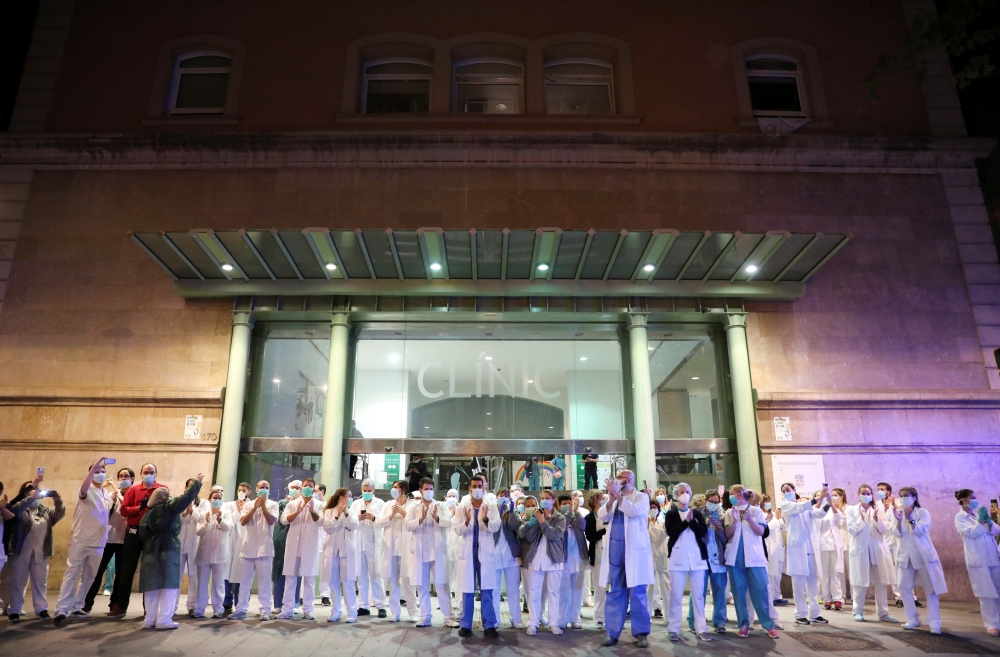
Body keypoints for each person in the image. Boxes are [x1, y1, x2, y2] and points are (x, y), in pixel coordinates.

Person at [138, 474, 203, 629]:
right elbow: (185, 499)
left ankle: (150, 619)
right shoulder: (166, 509)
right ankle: (164, 619)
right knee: (169, 583)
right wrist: (196, 483)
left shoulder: (148, 513)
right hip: (168, 546)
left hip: (150, 549)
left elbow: (142, 533)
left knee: (151, 585)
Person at [54, 458, 112, 624]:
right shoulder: (86, 490)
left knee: (90, 576)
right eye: (97, 471)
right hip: (81, 539)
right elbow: (84, 488)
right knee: (72, 573)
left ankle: (77, 607)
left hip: (99, 541)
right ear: (91, 474)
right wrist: (94, 466)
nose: (100, 474)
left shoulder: (105, 493)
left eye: (102, 471)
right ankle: (62, 608)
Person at [599, 470, 653, 648]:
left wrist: (618, 497)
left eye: (620, 478)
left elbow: (636, 512)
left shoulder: (641, 497)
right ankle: (612, 632)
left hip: (634, 553)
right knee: (616, 592)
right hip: (615, 552)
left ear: (628, 480)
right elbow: (602, 516)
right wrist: (611, 499)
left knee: (637, 593)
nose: (617, 481)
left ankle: (641, 633)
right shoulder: (614, 499)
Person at [6, 474, 65, 622]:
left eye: (39, 492)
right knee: (17, 581)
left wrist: (58, 502)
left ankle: (41, 609)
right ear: (26, 494)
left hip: (40, 552)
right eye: (33, 491)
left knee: (40, 582)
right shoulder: (19, 509)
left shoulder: (45, 511)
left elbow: (58, 514)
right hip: (20, 551)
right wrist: (30, 498)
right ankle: (15, 609)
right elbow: (15, 510)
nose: (37, 494)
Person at [109, 462, 164, 618]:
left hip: (152, 533)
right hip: (133, 533)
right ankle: (121, 606)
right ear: (140, 474)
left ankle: (150, 608)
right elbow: (125, 510)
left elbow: (164, 510)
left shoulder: (161, 489)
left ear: (156, 474)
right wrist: (139, 508)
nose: (148, 474)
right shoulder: (133, 490)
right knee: (126, 571)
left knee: (150, 571)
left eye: (151, 472)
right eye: (145, 472)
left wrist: (151, 509)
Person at [723, 485, 778, 639]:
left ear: (743, 495)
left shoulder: (756, 511)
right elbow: (728, 534)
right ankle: (744, 625)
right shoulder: (729, 512)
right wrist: (734, 521)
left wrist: (749, 519)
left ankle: (768, 624)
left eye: (735, 494)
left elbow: (760, 532)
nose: (733, 497)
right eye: (731, 494)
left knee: (760, 590)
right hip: (735, 558)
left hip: (755, 558)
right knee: (739, 593)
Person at [889, 486, 945, 633]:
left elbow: (921, 530)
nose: (903, 498)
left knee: (930, 588)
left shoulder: (922, 512)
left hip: (922, 554)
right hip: (904, 555)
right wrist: (899, 521)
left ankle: (934, 621)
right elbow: (896, 533)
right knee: (903, 586)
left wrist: (911, 519)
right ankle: (913, 618)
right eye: (901, 496)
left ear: (914, 498)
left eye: (907, 495)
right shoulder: (896, 512)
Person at [452, 474, 501, 638]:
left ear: (484, 487)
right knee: (468, 590)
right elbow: (457, 529)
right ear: (469, 488)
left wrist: (486, 519)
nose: (477, 489)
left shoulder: (491, 506)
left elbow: (496, 526)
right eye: (474, 486)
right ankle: (466, 624)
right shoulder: (462, 506)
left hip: (485, 552)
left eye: (479, 486)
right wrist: (466, 521)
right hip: (468, 552)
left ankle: (490, 625)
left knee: (487, 590)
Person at [406, 477, 456, 628]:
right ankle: (425, 617)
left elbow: (449, 522)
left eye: (430, 489)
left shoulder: (440, 505)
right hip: (420, 551)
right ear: (420, 490)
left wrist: (436, 517)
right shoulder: (413, 507)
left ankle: (449, 617)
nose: (428, 491)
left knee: (442, 583)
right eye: (425, 489)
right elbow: (408, 525)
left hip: (437, 550)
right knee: (421, 585)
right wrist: (420, 519)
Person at [846, 484, 899, 623]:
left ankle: (883, 612)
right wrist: (861, 519)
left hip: (877, 550)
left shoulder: (878, 509)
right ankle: (857, 611)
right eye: (863, 493)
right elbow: (852, 530)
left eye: (868, 493)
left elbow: (885, 529)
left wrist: (877, 520)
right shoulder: (852, 510)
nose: (866, 495)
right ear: (858, 494)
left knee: (881, 582)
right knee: (860, 583)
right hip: (860, 550)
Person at [517, 490, 567, 635]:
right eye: (543, 498)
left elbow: (554, 535)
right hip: (536, 558)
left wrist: (542, 521)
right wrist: (534, 521)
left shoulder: (559, 518)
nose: (545, 500)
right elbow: (529, 537)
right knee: (534, 591)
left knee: (553, 592)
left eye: (547, 498)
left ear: (553, 500)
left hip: (554, 559)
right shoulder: (537, 514)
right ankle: (533, 622)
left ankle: (553, 623)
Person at [779, 481, 828, 626]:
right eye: (784, 491)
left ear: (794, 490)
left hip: (810, 548)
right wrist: (818, 498)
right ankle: (800, 614)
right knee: (799, 584)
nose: (786, 492)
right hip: (797, 549)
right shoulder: (786, 505)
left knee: (813, 583)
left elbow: (818, 514)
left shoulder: (804, 507)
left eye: (788, 489)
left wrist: (828, 503)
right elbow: (799, 507)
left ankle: (815, 613)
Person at [665, 482, 709, 643]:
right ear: (677, 495)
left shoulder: (696, 513)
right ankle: (673, 628)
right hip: (678, 557)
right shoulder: (671, 514)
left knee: (698, 595)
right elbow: (671, 532)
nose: (685, 494)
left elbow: (703, 531)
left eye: (688, 491)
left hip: (697, 558)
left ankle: (701, 628)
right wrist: (685, 522)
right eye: (682, 491)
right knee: (676, 594)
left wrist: (692, 521)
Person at [82, 467, 130, 614]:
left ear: (132, 479)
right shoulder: (110, 494)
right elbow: (103, 512)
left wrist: (117, 492)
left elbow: (127, 510)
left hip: (124, 540)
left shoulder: (132, 495)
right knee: (97, 571)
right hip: (108, 538)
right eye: (120, 476)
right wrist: (112, 499)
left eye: (126, 476)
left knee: (121, 574)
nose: (123, 479)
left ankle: (115, 604)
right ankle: (87, 602)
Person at [229, 480, 279, 621]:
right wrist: (254, 508)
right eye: (261, 487)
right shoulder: (248, 505)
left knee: (265, 581)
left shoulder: (273, 505)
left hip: (265, 548)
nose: (263, 489)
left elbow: (272, 520)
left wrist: (263, 506)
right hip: (248, 547)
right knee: (244, 581)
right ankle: (241, 609)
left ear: (269, 490)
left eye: (266, 488)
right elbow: (243, 521)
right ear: (256, 490)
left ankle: (265, 610)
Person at [955, 488, 1000, 636]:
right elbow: (972, 533)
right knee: (986, 593)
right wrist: (981, 521)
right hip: (978, 560)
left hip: (993, 557)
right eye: (972, 498)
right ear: (964, 501)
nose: (975, 500)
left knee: (998, 590)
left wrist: (988, 521)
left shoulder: (975, 516)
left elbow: (996, 531)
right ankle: (992, 624)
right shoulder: (960, 518)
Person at [277, 478, 323, 620]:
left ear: (314, 488)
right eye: (305, 486)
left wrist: (312, 511)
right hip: (293, 545)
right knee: (291, 578)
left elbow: (322, 522)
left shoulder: (320, 505)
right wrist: (297, 512)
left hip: (310, 545)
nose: (307, 488)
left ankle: (308, 610)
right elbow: (283, 520)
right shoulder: (292, 503)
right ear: (301, 488)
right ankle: (287, 609)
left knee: (309, 579)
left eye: (310, 486)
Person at [377, 480, 416, 622]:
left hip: (406, 547)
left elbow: (415, 522)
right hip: (391, 547)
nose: (393, 490)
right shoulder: (388, 505)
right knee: (393, 581)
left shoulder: (413, 505)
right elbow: (379, 522)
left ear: (404, 489)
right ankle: (395, 612)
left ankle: (413, 613)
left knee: (409, 580)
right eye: (393, 488)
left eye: (396, 488)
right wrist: (391, 516)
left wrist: (402, 512)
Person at [346, 479, 385, 617]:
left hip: (373, 542)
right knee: (361, 575)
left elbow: (384, 521)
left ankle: (380, 605)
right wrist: (358, 518)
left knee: (376, 575)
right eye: (364, 490)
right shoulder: (356, 504)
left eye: (369, 490)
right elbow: (350, 520)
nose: (367, 493)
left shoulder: (380, 503)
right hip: (359, 543)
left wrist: (374, 518)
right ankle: (364, 605)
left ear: (373, 490)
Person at [691, 489, 728, 633]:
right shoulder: (697, 514)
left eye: (716, 502)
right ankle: (694, 621)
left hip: (718, 558)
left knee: (720, 591)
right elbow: (694, 536)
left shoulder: (722, 516)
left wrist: (719, 529)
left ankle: (719, 622)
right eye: (711, 501)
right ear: (706, 500)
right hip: (702, 557)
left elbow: (725, 540)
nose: (714, 504)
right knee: (698, 591)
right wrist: (705, 524)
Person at [193, 486, 232, 618]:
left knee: (218, 583)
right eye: (214, 498)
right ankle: (199, 609)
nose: (217, 500)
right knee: (202, 582)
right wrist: (207, 522)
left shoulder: (227, 513)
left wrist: (220, 519)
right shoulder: (204, 515)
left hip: (220, 554)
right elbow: (198, 532)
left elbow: (228, 528)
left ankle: (218, 609)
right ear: (209, 500)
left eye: (219, 498)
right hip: (204, 553)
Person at [323, 487, 359, 623]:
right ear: (340, 498)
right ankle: (336, 611)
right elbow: (327, 527)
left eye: (350, 497)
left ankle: (352, 612)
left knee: (348, 582)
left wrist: (346, 513)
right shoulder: (329, 512)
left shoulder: (352, 512)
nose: (348, 499)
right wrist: (337, 515)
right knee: (333, 583)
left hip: (347, 552)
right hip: (332, 551)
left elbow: (354, 525)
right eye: (346, 497)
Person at [177, 477, 209, 617]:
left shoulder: (203, 503)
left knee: (193, 575)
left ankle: (192, 605)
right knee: (176, 576)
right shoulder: (178, 501)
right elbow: (174, 519)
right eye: (189, 487)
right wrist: (182, 514)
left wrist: (191, 510)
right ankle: (172, 606)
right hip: (179, 543)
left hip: (194, 543)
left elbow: (201, 520)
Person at [493, 486, 523, 629]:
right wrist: (498, 512)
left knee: (513, 588)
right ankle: (495, 619)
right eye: (501, 494)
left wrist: (510, 512)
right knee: (495, 589)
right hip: (494, 554)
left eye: (506, 495)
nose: (503, 497)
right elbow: (490, 527)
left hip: (511, 554)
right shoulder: (491, 510)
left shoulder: (513, 511)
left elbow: (515, 525)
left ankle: (516, 618)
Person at [272, 481, 303, 615]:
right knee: (280, 570)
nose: (295, 490)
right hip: (282, 540)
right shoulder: (282, 503)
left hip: (298, 541)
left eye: (297, 488)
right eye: (292, 488)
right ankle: (278, 603)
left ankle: (295, 602)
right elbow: (280, 520)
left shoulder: (305, 504)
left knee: (296, 573)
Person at [558, 492, 587, 630]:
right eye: (564, 504)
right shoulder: (557, 518)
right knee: (563, 592)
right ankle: (562, 618)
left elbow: (583, 526)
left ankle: (575, 618)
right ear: (559, 505)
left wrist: (576, 512)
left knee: (577, 591)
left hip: (578, 559)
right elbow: (562, 527)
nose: (567, 506)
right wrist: (569, 514)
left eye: (569, 503)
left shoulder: (577, 517)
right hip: (563, 560)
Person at [222, 481, 251, 612]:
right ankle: (226, 602)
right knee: (227, 572)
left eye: (244, 490)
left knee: (242, 573)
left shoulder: (252, 505)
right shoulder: (229, 505)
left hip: (245, 542)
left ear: (249, 492)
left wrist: (243, 509)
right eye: (239, 490)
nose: (241, 492)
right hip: (231, 541)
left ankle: (240, 602)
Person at [817, 488, 845, 612]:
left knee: (835, 572)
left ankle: (837, 598)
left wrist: (831, 504)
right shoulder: (817, 511)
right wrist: (821, 501)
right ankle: (827, 598)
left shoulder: (832, 509)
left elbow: (839, 518)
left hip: (834, 544)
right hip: (822, 544)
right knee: (824, 573)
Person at [877, 482, 904, 607]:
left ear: (889, 491)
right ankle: (898, 596)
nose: (880, 491)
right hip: (885, 540)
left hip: (899, 539)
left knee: (903, 568)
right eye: (878, 489)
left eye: (882, 489)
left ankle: (910, 596)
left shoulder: (898, 502)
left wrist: (893, 506)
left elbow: (902, 516)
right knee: (893, 569)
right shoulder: (876, 504)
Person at [584, 490, 607, 626]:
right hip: (597, 555)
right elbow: (591, 536)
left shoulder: (609, 515)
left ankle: (611, 614)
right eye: (600, 498)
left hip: (610, 554)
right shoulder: (589, 518)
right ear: (593, 500)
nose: (602, 500)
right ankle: (599, 616)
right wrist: (604, 531)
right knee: (599, 587)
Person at [646, 498, 669, 622]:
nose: (653, 509)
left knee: (666, 587)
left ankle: (669, 616)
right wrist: (648, 523)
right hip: (649, 558)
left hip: (662, 557)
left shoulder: (663, 522)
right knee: (649, 588)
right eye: (651, 507)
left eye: (655, 507)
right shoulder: (643, 522)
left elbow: (663, 536)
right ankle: (646, 615)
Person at [762, 494, 787, 607]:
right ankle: (770, 597)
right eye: (765, 501)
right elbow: (768, 527)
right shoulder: (760, 514)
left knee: (778, 573)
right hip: (769, 546)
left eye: (768, 501)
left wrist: (781, 518)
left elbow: (782, 527)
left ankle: (777, 595)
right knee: (771, 573)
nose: (767, 503)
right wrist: (777, 519)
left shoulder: (772, 513)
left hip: (778, 546)